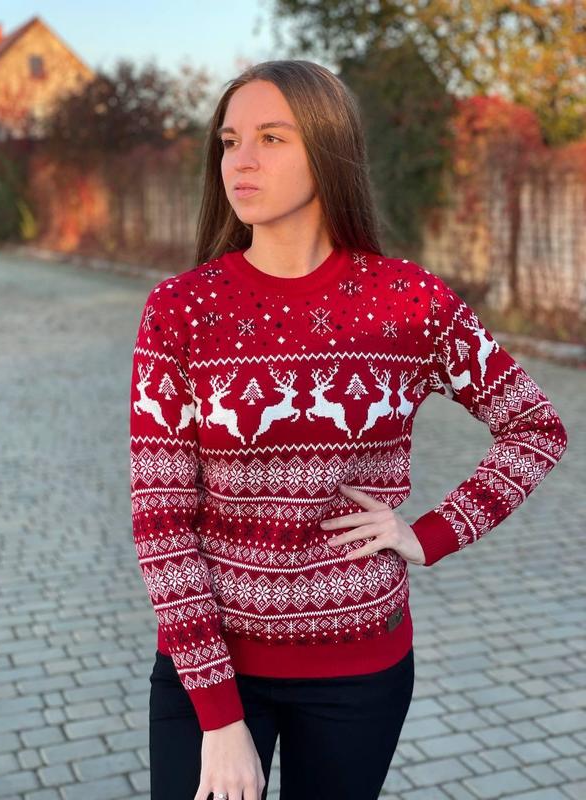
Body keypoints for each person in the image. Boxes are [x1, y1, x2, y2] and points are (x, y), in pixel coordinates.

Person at [129, 60, 568, 800]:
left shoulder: (410, 303)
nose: (241, 159)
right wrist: (220, 717)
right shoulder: (180, 310)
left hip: (360, 669)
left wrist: (428, 534)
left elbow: (535, 427)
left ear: (328, 149)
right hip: (209, 669)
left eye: (272, 137)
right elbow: (161, 521)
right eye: (230, 140)